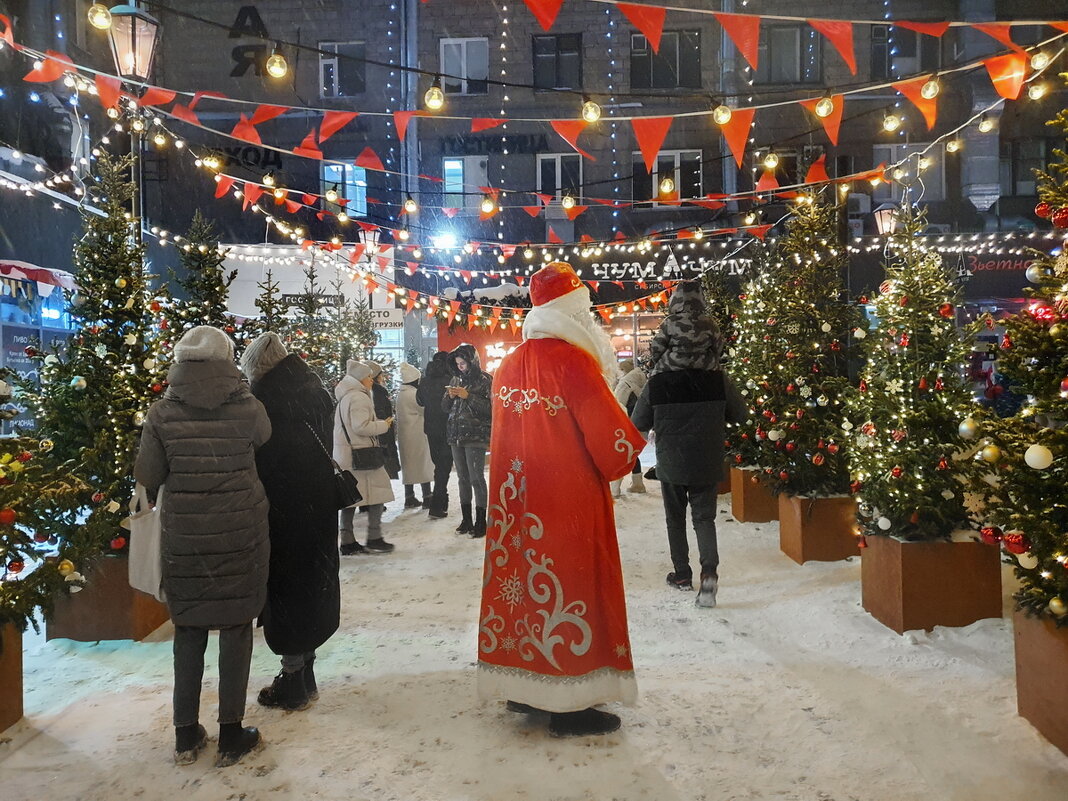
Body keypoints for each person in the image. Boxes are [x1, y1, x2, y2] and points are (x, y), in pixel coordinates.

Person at [477, 262, 645, 737]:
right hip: (567, 505)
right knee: (571, 590)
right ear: (572, 312)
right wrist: (630, 447)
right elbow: (613, 445)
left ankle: (524, 687)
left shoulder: (508, 365)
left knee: (521, 590)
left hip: (516, 503)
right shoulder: (574, 363)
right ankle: (569, 703)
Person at [134, 326, 270, 768]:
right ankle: (232, 733)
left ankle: (185, 733)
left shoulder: (161, 413)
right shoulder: (247, 407)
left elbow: (149, 476)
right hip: (238, 531)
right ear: (227, 358)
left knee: (188, 631)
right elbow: (264, 438)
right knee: (235, 628)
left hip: (187, 538)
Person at [240, 332, 340, 712]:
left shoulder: (266, 398)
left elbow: (265, 455)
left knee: (285, 588)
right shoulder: (313, 388)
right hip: (317, 502)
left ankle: (292, 679)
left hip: (283, 505)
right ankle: (306, 671)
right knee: (312, 583)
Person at [631, 282, 745, 609]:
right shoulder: (717, 377)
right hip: (707, 459)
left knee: (675, 519)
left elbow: (638, 422)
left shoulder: (659, 380)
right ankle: (709, 574)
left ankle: (682, 573)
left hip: (671, 462)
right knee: (704, 518)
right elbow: (741, 413)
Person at [335, 359, 396, 554]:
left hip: (348, 454)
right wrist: (383, 425)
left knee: (351, 498)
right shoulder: (359, 397)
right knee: (379, 493)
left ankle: (347, 539)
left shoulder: (345, 396)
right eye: (369, 377)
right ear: (361, 379)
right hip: (362, 454)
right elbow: (360, 426)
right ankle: (374, 536)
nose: (372, 380)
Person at [442, 344, 493, 538]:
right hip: (455, 435)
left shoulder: (485, 380)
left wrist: (468, 396)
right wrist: (449, 396)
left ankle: (481, 521)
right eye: (458, 364)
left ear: (472, 361)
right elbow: (445, 407)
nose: (461, 367)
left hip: (475, 436)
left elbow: (491, 409)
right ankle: (466, 519)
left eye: (463, 363)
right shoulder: (455, 379)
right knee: (462, 478)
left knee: (476, 478)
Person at [647, 280, 723, 376]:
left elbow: (657, 348)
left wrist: (657, 362)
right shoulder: (708, 322)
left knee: (653, 385)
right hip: (705, 367)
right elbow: (718, 347)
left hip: (672, 368)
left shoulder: (670, 321)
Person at [416, 351, 453, 519]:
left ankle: (441, 500)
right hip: (447, 427)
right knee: (443, 467)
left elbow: (420, 401)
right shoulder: (450, 381)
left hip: (430, 428)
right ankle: (437, 505)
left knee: (439, 465)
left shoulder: (424, 381)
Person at [396, 362, 434, 509]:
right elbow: (425, 410)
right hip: (417, 434)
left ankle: (409, 496)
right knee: (422, 465)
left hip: (406, 435)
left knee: (409, 466)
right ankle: (427, 496)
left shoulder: (401, 394)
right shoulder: (413, 394)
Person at [610, 359, 648, 498]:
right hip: (640, 423)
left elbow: (617, 405)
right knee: (632, 453)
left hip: (625, 424)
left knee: (619, 454)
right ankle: (638, 484)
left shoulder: (625, 383)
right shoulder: (641, 382)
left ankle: (615, 489)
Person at [366, 361, 401, 483]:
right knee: (382, 470)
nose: (383, 377)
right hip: (382, 433)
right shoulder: (379, 391)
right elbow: (382, 413)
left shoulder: (370, 391)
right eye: (381, 374)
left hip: (377, 434)